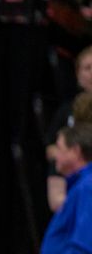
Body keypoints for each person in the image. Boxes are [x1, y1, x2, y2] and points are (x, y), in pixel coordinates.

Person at [39, 123, 92, 254]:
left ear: (75, 151)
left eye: (60, 148)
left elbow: (85, 241)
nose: (55, 156)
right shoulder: (80, 186)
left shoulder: (87, 187)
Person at [44, 45, 92, 212]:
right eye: (87, 68)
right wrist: (67, 156)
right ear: (77, 74)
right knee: (59, 164)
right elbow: (50, 146)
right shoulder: (67, 110)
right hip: (72, 168)